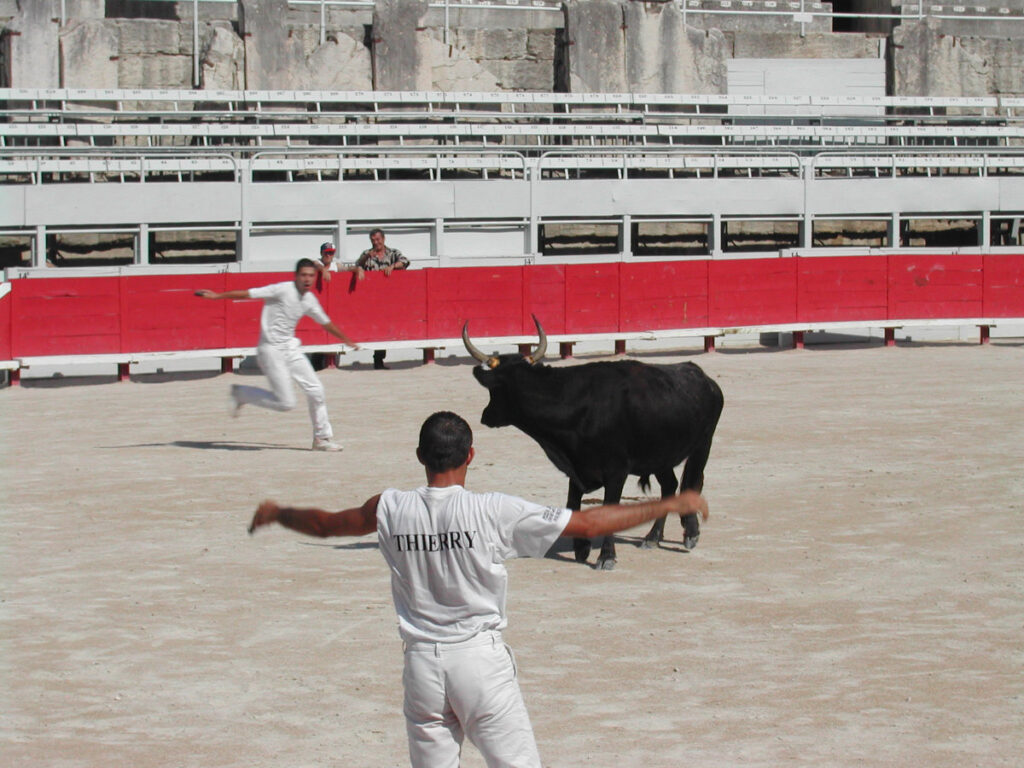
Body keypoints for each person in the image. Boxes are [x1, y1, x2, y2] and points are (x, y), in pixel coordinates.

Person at [248, 410, 710, 766]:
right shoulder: (492, 510)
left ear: (419, 456)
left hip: (421, 667)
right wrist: (667, 502)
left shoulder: (388, 506)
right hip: (478, 662)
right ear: (471, 455)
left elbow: (328, 525)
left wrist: (277, 513)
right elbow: (588, 524)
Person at [195, 259, 360, 451]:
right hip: (270, 350)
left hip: (290, 348)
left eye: (311, 276)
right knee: (286, 403)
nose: (307, 279)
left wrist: (346, 339)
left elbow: (325, 323)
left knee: (316, 391)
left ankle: (322, 438)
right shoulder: (282, 289)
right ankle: (241, 394)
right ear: (296, 276)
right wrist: (217, 296)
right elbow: (249, 294)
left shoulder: (309, 300)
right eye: (304, 275)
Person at [354, 228, 410, 369]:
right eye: (373, 240)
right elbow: (357, 265)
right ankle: (377, 359)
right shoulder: (367, 254)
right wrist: (364, 261)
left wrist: (392, 266)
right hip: (372, 297)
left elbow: (405, 262)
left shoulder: (393, 253)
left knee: (387, 326)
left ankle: (379, 359)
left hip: (390, 297)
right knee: (375, 326)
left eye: (378, 239)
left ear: (384, 239)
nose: (376, 242)